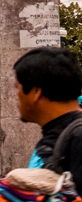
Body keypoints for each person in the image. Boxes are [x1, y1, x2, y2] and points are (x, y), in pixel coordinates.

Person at [14, 48, 82, 188]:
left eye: (17, 88)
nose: (16, 96)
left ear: (36, 92)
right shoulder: (58, 136)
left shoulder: (78, 139)